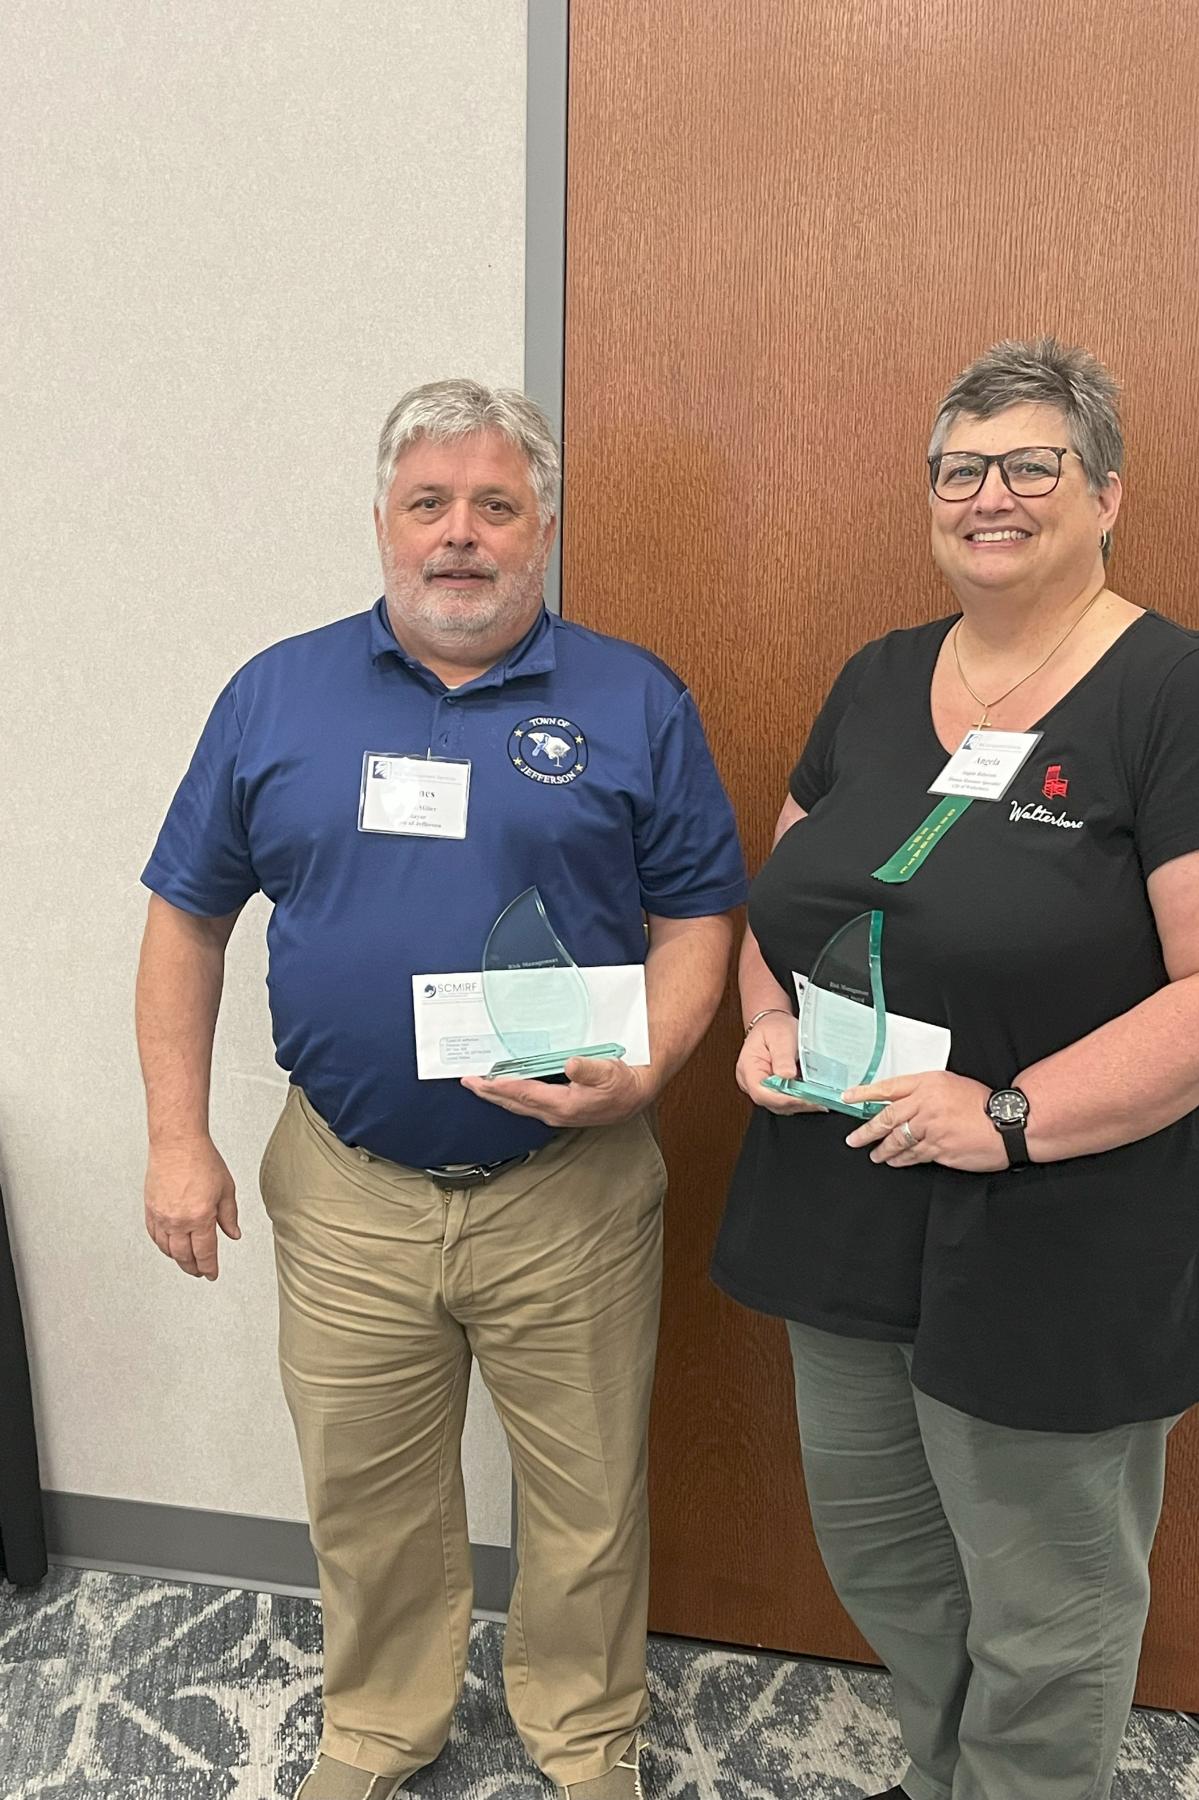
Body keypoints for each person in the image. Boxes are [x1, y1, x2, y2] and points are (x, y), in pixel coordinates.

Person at [712, 338, 1199, 1800]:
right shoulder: (878, 678)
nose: (989, 494)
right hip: (852, 1203)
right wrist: (765, 1020)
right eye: (959, 469)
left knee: (1047, 1603)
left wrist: (1007, 1114)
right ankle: (949, 1779)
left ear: (1106, 493)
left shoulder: (1178, 693)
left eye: (1030, 464)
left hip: (1065, 1222)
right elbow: (784, 900)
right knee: (887, 1554)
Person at [136, 380, 746, 1800]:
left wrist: (649, 1064)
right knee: (366, 1491)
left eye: (494, 505)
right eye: (430, 504)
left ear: (543, 530)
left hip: (571, 1189)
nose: (459, 534)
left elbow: (698, 915)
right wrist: (177, 1137)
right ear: (383, 525)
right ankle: (378, 1725)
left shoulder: (635, 699)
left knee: (588, 1495)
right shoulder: (276, 694)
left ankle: (583, 1733)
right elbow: (187, 917)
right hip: (347, 1184)